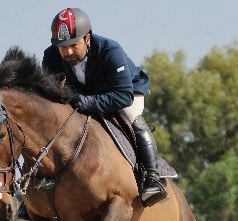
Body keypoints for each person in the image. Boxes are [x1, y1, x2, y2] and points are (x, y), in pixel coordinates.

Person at [42, 8, 166, 205]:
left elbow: (123, 96)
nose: (68, 52)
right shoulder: (51, 57)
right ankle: (40, 184)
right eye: (62, 46)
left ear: (87, 38)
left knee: (131, 116)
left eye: (74, 45)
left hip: (126, 92)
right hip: (85, 94)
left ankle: (152, 177)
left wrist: (90, 102)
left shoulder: (110, 50)